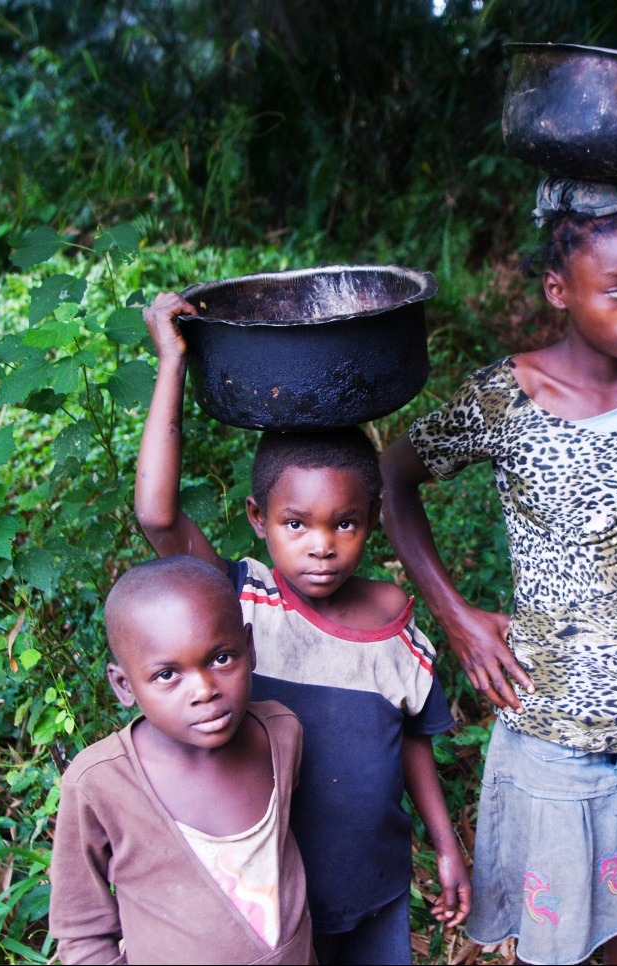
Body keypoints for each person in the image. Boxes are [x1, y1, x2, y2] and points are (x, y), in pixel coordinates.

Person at [381, 183, 617, 966]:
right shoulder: (508, 398)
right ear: (559, 290)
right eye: (616, 290)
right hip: (554, 729)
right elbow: (392, 479)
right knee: (554, 946)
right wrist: (455, 615)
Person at [134, 293, 471, 965]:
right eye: (298, 524)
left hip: (374, 887)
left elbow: (413, 747)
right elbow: (157, 513)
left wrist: (445, 843)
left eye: (343, 523)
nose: (322, 546)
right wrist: (172, 361)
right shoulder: (243, 602)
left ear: (372, 519)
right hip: (273, 902)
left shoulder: (403, 633)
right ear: (259, 517)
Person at [49, 555, 313, 965]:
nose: (205, 689)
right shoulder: (99, 784)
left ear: (249, 647)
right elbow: (81, 931)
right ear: (124, 685)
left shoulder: (280, 733)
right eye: (167, 675)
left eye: (221, 658)